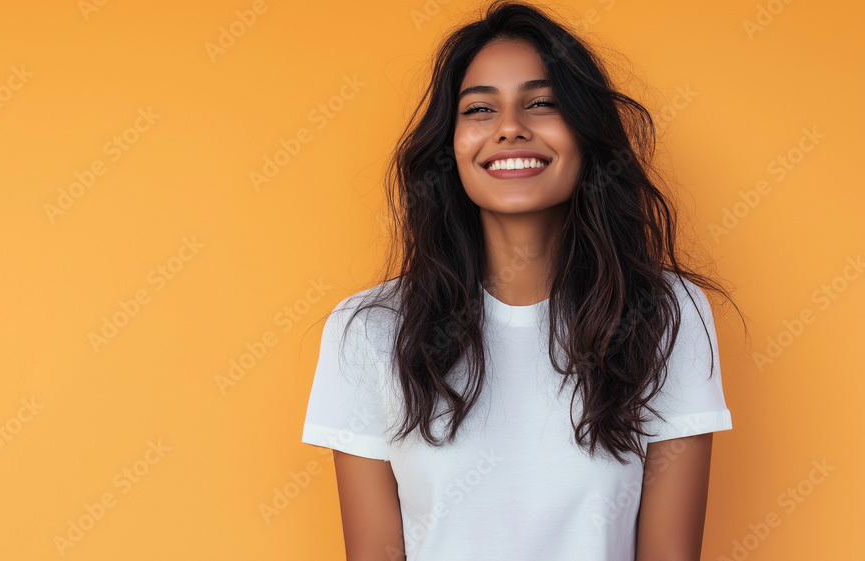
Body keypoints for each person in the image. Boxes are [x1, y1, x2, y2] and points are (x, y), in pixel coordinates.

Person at [301, 1, 746, 559]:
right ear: (451, 146)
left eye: (541, 103)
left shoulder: (665, 315)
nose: (510, 128)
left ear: (586, 133)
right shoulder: (368, 331)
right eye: (480, 109)